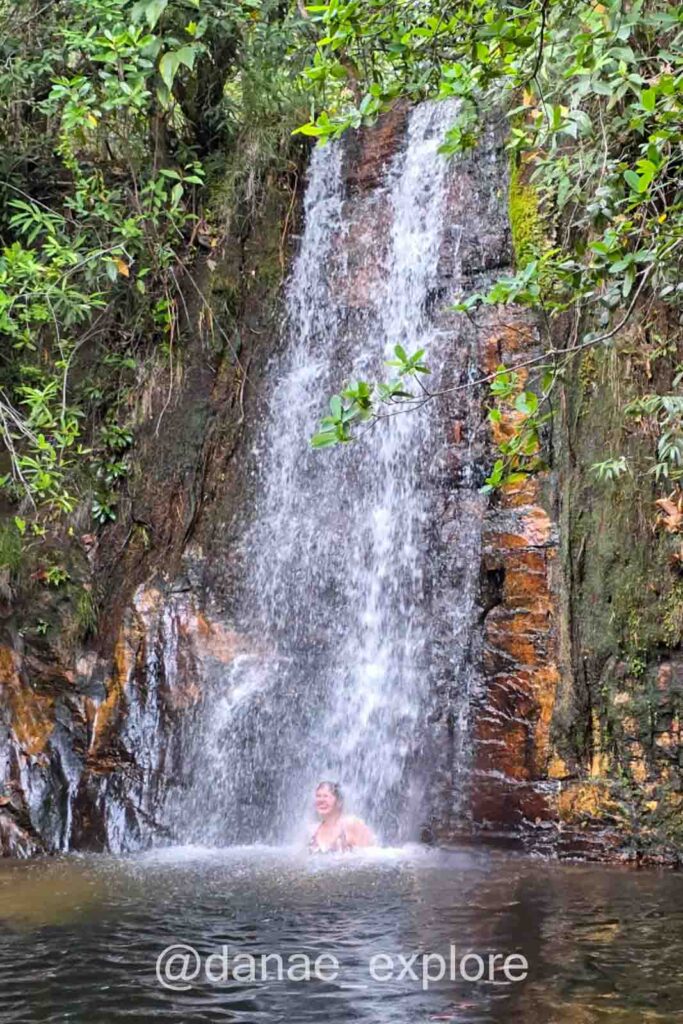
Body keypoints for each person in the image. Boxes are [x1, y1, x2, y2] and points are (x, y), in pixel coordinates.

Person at [308, 780, 376, 853]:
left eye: (326, 796)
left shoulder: (352, 824)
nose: (321, 800)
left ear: (338, 801)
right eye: (318, 796)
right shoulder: (313, 830)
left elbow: (371, 855)